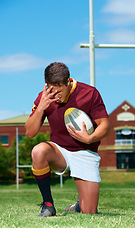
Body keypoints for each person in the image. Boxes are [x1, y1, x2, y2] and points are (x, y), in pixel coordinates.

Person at [25, 62, 110, 217]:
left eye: (59, 92)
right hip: (60, 151)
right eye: (52, 91)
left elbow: (105, 126)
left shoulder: (89, 93)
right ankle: (48, 205)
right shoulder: (44, 96)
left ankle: (79, 204)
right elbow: (30, 133)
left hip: (85, 151)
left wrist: (90, 138)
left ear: (69, 82)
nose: (56, 97)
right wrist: (41, 108)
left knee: (89, 212)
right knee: (38, 151)